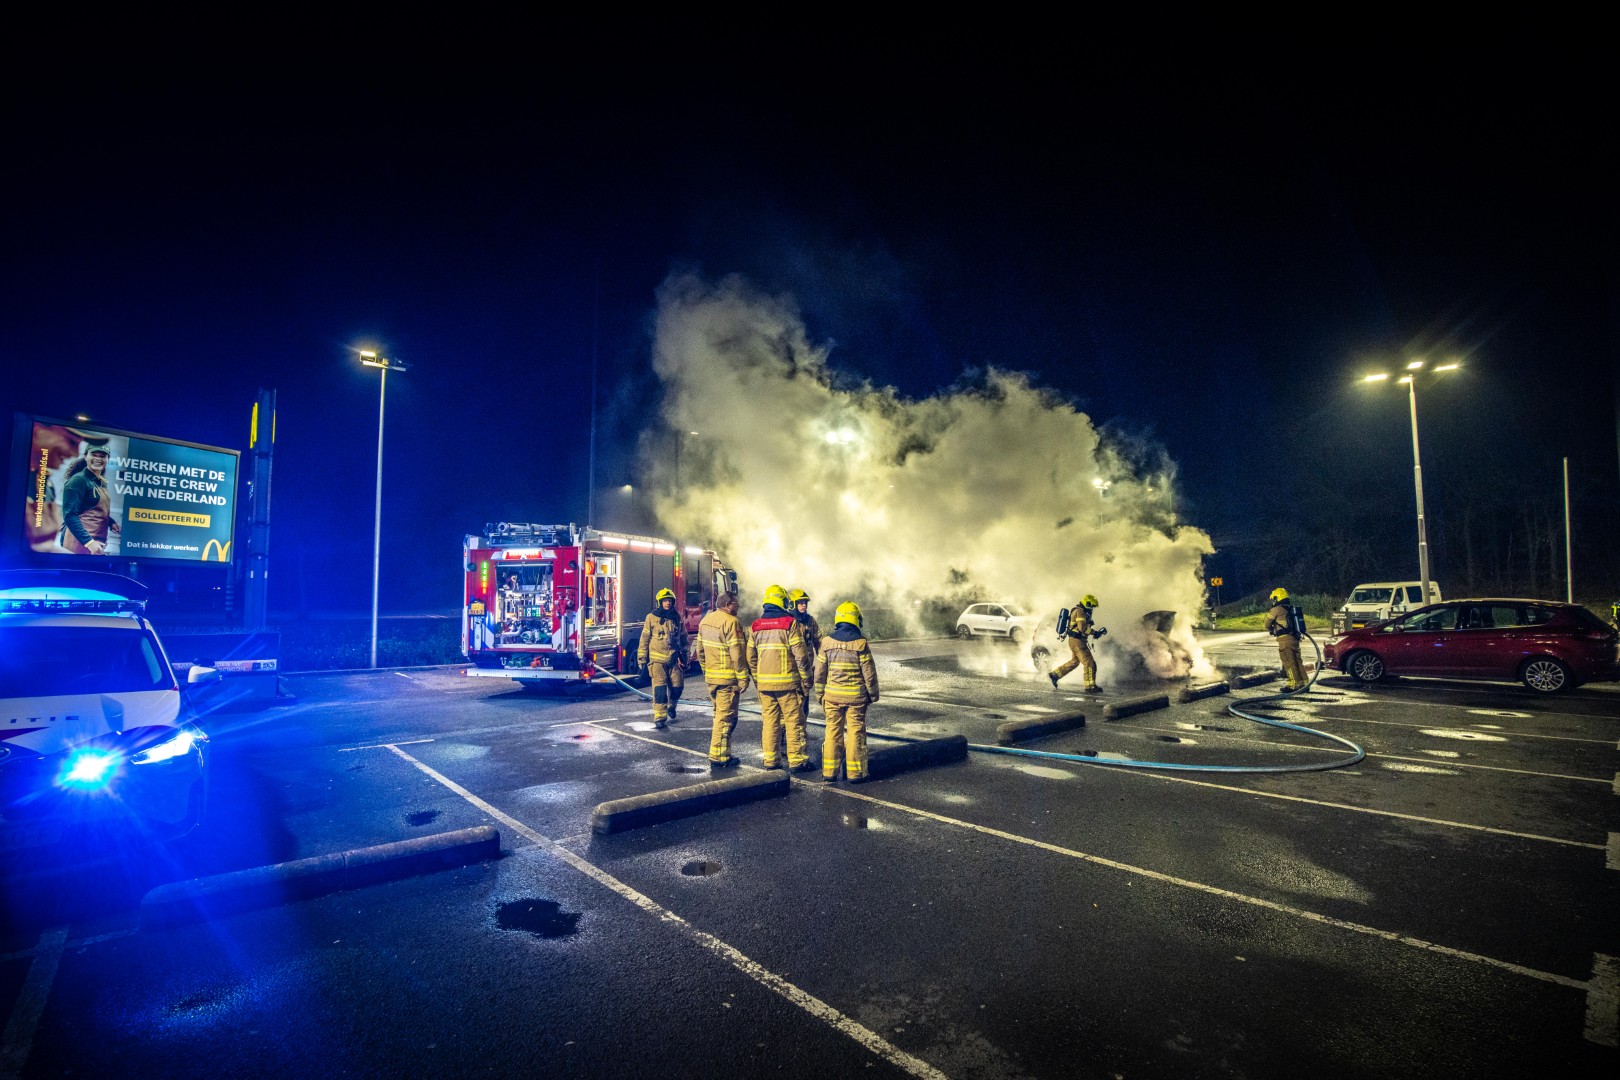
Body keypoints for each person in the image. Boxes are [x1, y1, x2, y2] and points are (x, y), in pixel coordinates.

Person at [748, 584, 814, 771]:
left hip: (765, 685)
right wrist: (807, 679)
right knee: (794, 722)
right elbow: (801, 656)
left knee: (770, 723)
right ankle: (798, 761)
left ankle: (771, 761)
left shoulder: (756, 626)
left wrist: (757, 678)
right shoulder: (790, 624)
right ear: (782, 602)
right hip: (787, 685)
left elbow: (751, 657)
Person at [814, 601, 880, 783]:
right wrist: (873, 695)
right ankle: (855, 774)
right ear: (856, 619)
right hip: (856, 699)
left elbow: (819, 672)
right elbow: (869, 674)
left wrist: (819, 694)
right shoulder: (861, 644)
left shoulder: (826, 643)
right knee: (855, 733)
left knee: (832, 732)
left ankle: (829, 772)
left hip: (832, 697)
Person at [695, 591, 750, 769]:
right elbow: (737, 654)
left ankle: (722, 752)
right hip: (727, 680)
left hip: (712, 678)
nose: (739, 607)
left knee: (718, 716)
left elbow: (700, 651)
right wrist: (743, 679)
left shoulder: (705, 621)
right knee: (726, 718)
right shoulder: (731, 622)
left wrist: (706, 672)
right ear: (728, 604)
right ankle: (719, 756)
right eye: (736, 604)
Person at [637, 588, 689, 729]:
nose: (667, 603)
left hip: (674, 659)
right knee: (660, 690)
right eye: (665, 601)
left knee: (678, 687)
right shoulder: (651, 617)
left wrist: (685, 657)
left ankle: (672, 706)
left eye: (670, 600)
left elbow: (684, 639)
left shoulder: (677, 618)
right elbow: (644, 639)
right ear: (659, 602)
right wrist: (642, 658)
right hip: (657, 661)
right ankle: (660, 716)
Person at [59, 444, 120, 555]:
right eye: (94, 454)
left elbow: (91, 507)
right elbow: (70, 515)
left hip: (95, 544)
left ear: (107, 459)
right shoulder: (78, 481)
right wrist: (89, 542)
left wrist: (111, 523)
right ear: (86, 456)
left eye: (102, 456)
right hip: (78, 543)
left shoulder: (100, 482)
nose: (98, 458)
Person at [1048, 594, 1104, 693]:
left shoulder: (1079, 611)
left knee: (1074, 662)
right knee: (1089, 662)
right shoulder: (1080, 611)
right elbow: (1081, 628)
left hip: (1074, 641)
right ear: (1087, 603)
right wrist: (1094, 632)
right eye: (1092, 606)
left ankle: (1055, 675)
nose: (1092, 609)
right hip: (1078, 641)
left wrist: (1095, 632)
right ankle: (1090, 687)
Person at [1265, 587, 1309, 692]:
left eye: (1273, 599)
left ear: (1277, 598)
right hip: (1295, 639)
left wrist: (1272, 629)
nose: (1273, 601)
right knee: (1298, 661)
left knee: (1289, 662)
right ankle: (1304, 684)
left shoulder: (1276, 610)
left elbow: (1267, 624)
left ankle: (1292, 685)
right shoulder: (1290, 608)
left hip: (1284, 640)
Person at [789, 587, 821, 719]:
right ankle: (787, 732)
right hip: (791, 667)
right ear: (793, 604)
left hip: (806, 666)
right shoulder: (788, 622)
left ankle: (802, 728)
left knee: (804, 697)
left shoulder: (810, 620)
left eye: (805, 603)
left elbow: (818, 640)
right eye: (800, 603)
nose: (804, 605)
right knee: (790, 701)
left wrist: (824, 659)